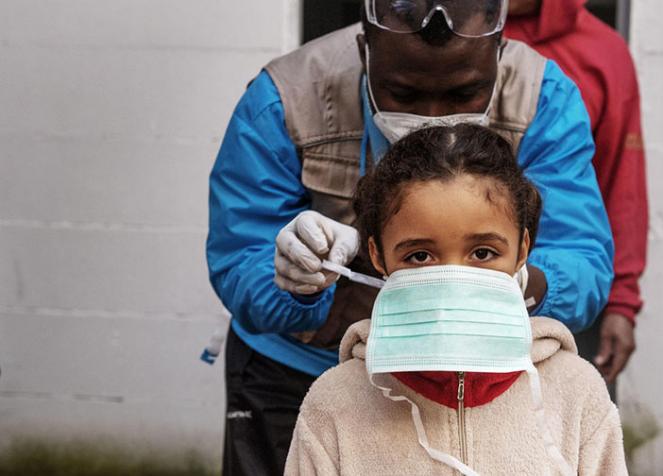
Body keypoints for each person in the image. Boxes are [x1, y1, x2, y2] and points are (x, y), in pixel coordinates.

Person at [206, 1, 613, 474]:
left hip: (479, 379)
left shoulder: (544, 97)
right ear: (365, 49)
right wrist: (296, 281)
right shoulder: (284, 98)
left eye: (465, 93)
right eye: (403, 93)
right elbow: (240, 258)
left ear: (498, 54)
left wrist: (516, 285)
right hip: (298, 373)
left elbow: (582, 258)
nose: (435, 118)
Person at [284, 124, 627, 475]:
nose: (453, 281)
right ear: (377, 255)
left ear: (522, 249)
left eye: (482, 252)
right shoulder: (335, 403)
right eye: (419, 256)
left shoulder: (576, 393)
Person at [505, 0, 649, 389]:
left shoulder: (604, 52)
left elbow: (622, 182)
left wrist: (622, 301)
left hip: (560, 299)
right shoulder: (446, 35)